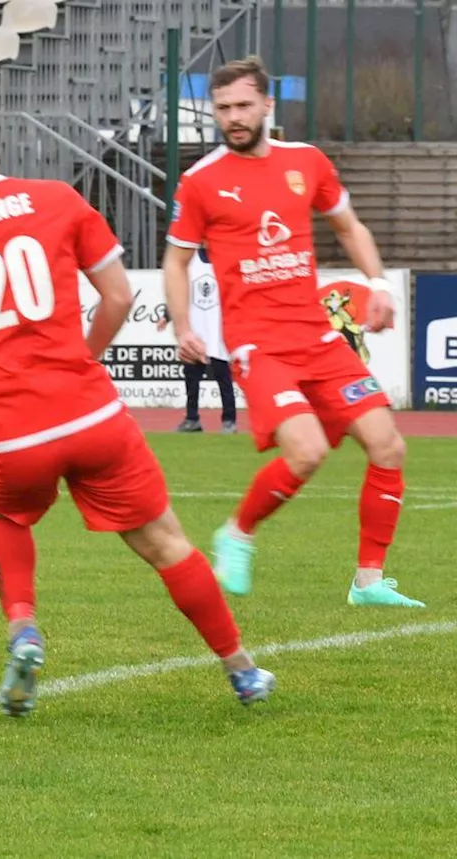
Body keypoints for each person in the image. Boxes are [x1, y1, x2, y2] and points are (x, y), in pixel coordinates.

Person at [0, 99, 274, 717]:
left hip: (13, 434)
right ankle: (243, 671)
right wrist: (84, 360)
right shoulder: (59, 199)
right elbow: (119, 297)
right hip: (92, 415)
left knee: (6, 517)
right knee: (167, 543)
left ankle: (24, 630)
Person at [163, 57, 422, 607]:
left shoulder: (307, 162)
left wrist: (379, 285)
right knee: (305, 452)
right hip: (258, 344)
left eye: (242, 105)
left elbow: (349, 227)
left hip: (317, 337)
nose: (232, 117)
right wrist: (184, 325)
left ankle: (368, 582)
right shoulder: (202, 180)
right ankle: (237, 533)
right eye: (222, 107)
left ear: (267, 105)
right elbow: (176, 262)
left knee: (388, 445)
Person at [156, 248, 237, 433]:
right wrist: (167, 315)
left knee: (223, 378)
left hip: (218, 332)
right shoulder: (190, 261)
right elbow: (180, 291)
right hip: (195, 330)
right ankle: (192, 419)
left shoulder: (225, 259)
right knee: (191, 379)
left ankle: (229, 420)